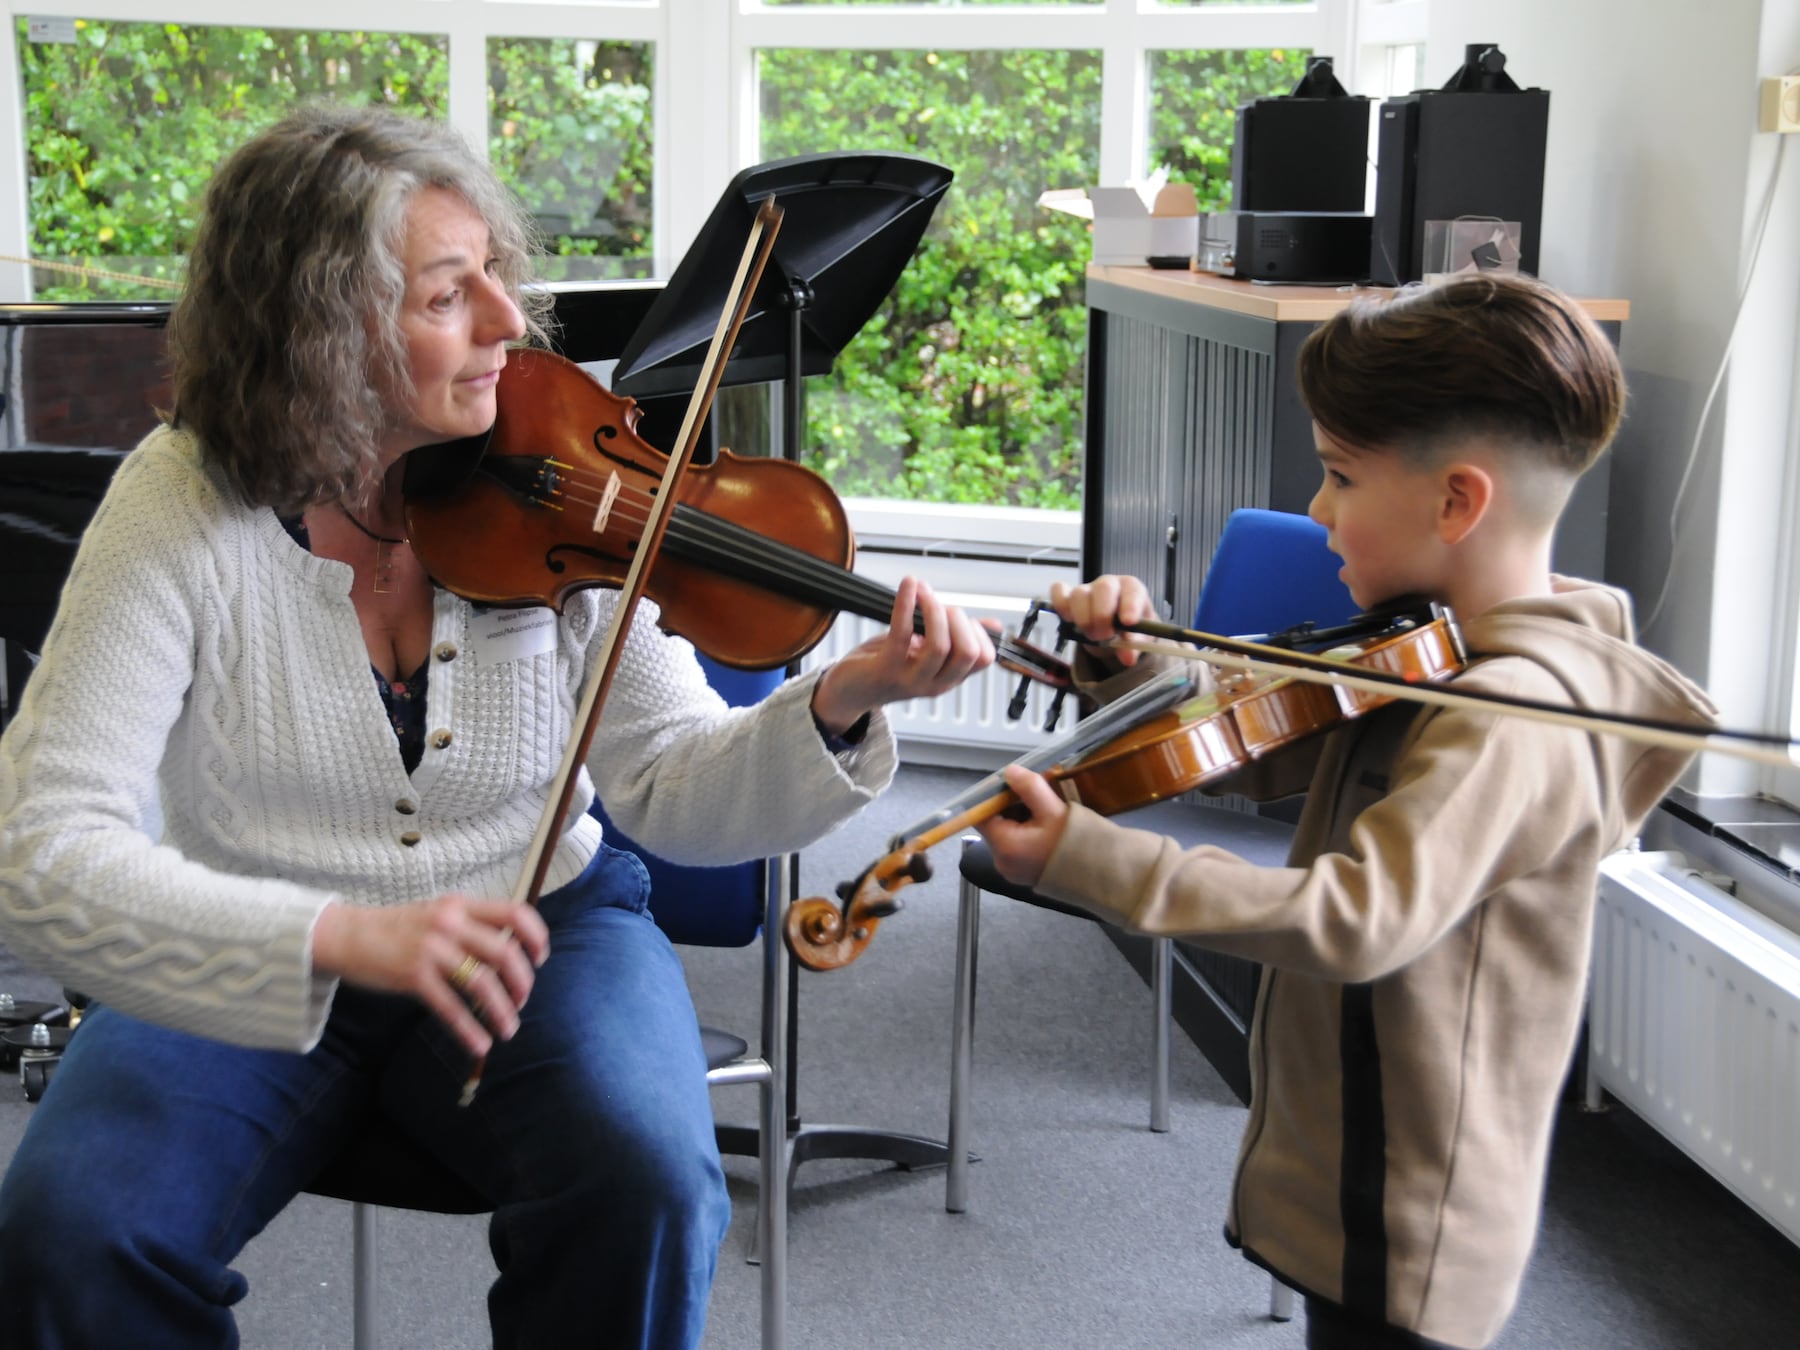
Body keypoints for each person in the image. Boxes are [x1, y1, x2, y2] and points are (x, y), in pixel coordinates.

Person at [0, 103, 992, 1349]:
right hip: (255, 931)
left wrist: (848, 701)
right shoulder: (183, 502)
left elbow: (678, 782)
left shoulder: (554, 477)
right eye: (445, 297)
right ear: (322, 331)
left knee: (646, 1185)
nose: (509, 327)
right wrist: (343, 933)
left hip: (543, 930)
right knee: (71, 1229)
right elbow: (41, 849)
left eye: (498, 280)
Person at [976, 274, 1718, 1350]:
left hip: (1413, 1205)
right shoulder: (1423, 653)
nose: (1318, 510)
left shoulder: (1513, 714)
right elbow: (1238, 740)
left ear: (1458, 502)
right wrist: (1125, 664)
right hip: (1353, 1159)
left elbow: (1357, 919)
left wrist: (1092, 861)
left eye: (1337, 475)